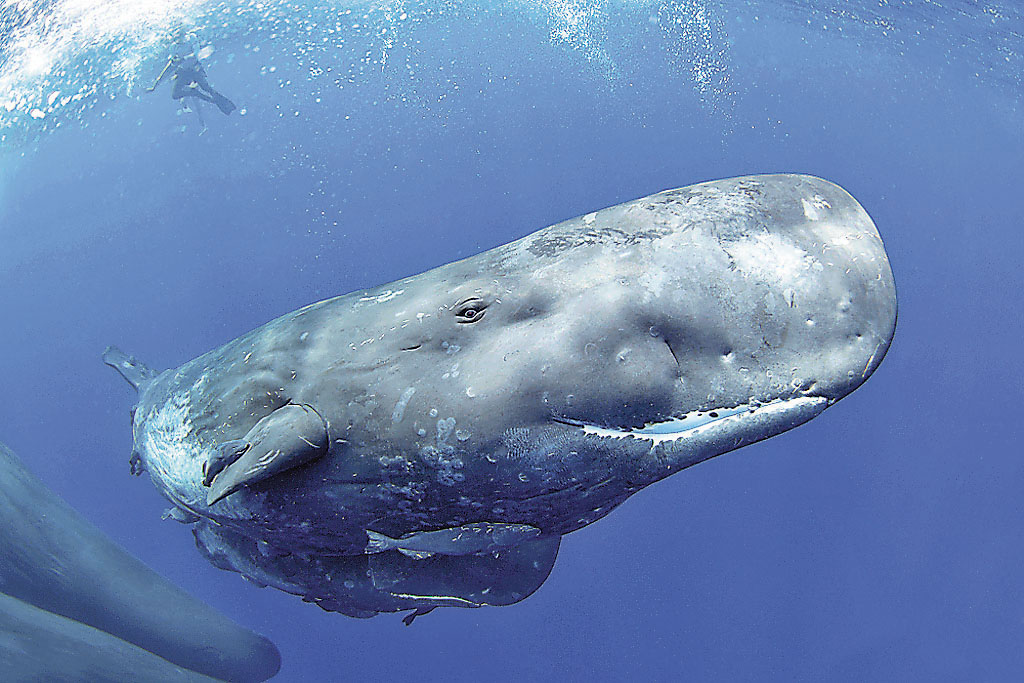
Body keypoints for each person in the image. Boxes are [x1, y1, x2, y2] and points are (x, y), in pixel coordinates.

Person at [147, 30, 236, 123]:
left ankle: (222, 103)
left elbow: (196, 53)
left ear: (184, 33)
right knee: (175, 94)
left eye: (179, 35)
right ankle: (196, 94)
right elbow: (171, 65)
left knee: (206, 88)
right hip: (183, 72)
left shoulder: (191, 38)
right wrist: (155, 85)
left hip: (195, 69)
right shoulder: (173, 47)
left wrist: (184, 58)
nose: (177, 38)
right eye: (175, 37)